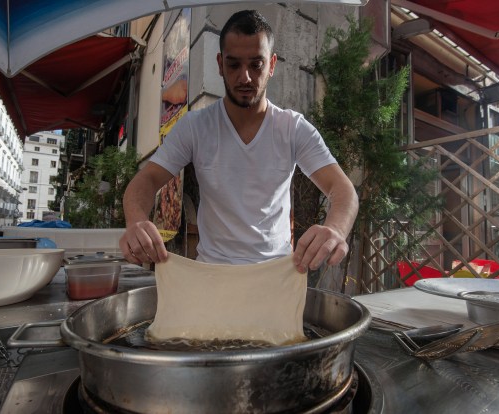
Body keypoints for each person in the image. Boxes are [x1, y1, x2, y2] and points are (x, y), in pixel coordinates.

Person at [120, 9, 358, 273]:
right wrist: (136, 221)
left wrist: (336, 229)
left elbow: (342, 189)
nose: (244, 77)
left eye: (256, 64)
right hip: (213, 275)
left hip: (275, 275)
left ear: (272, 65)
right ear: (220, 64)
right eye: (234, 64)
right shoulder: (195, 127)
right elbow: (147, 180)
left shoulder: (293, 128)